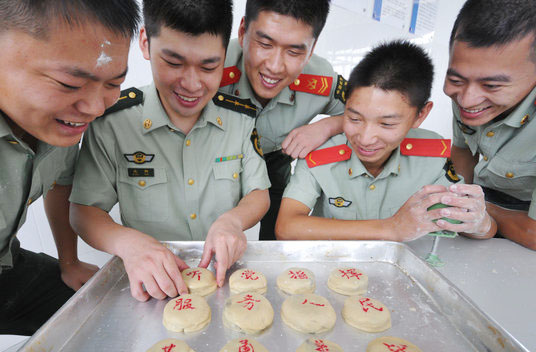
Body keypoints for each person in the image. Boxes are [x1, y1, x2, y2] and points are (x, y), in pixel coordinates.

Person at [0, 0, 140, 352]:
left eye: (114, 83)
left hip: (2, 260)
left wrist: (69, 259)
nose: (95, 107)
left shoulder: (66, 109)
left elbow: (60, 179)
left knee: (113, 319)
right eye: (70, 84)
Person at [69, 0, 271, 302]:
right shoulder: (113, 122)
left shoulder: (239, 119)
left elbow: (259, 193)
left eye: (208, 66)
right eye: (174, 63)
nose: (191, 84)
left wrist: (232, 221)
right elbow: (84, 211)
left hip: (224, 282)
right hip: (150, 285)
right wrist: (129, 245)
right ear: (145, 43)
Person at [275, 40, 496, 242]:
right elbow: (287, 227)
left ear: (421, 115)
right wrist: (391, 229)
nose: (365, 138)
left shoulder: (431, 156)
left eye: (387, 124)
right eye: (354, 118)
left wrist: (481, 223)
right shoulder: (319, 152)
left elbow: (468, 222)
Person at [219, 0, 346, 240]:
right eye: (265, 44)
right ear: (243, 30)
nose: (275, 67)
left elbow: (366, 112)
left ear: (312, 47)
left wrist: (327, 126)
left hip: (275, 163)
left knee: (276, 242)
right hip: (215, 163)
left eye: (294, 51)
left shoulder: (321, 80)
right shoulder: (214, 65)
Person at [445, 0, 536, 250]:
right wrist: (457, 194)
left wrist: (473, 209)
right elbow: (463, 149)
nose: (467, 99)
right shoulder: (469, 95)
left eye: (492, 86)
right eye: (455, 79)